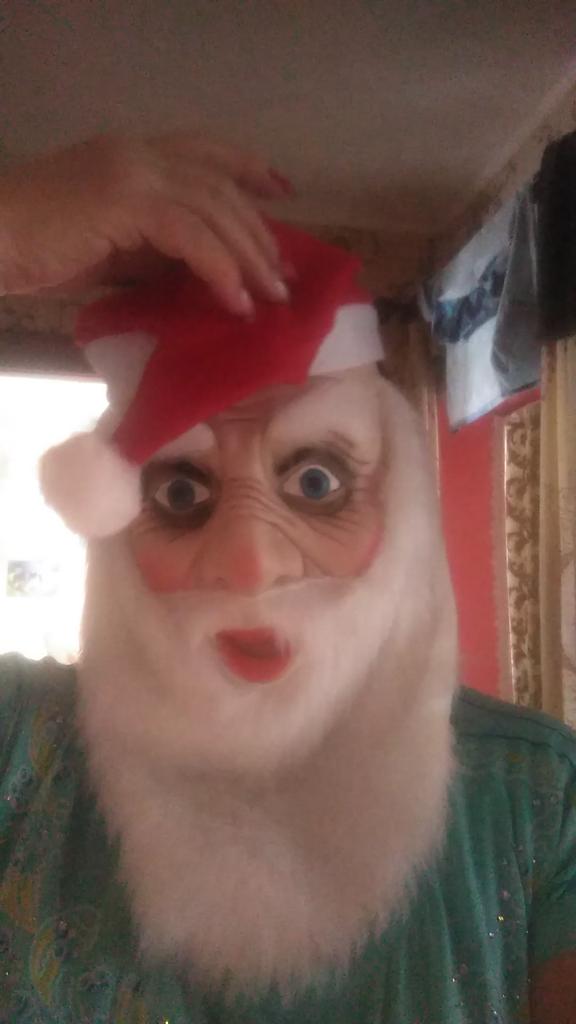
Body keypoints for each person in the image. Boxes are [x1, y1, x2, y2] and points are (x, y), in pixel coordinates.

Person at [0, 133, 575, 1024]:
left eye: (317, 482)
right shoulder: (18, 749)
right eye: (180, 491)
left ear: (400, 504)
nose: (250, 567)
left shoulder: (540, 800)